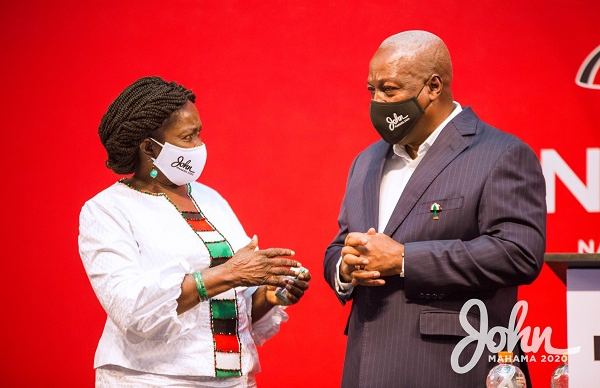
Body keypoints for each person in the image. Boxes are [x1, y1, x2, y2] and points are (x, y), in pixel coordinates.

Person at [323, 31, 546, 387]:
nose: (378, 101)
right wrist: (345, 268)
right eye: (372, 90)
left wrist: (404, 260)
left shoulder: (501, 154)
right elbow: (339, 245)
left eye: (389, 89)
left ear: (434, 87)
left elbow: (518, 253)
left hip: (453, 366)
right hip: (366, 366)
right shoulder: (366, 161)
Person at [79, 76, 311, 387]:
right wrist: (231, 273)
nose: (199, 146)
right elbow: (130, 308)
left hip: (232, 379)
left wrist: (269, 295)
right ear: (149, 147)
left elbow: (230, 309)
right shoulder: (108, 210)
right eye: (188, 137)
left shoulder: (210, 199)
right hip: (151, 379)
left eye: (200, 134)